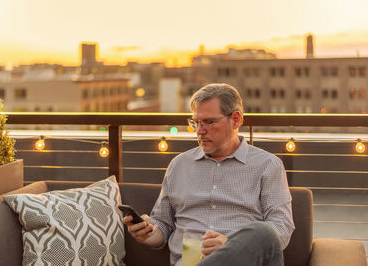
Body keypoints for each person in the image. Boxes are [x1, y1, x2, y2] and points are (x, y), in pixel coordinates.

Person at [122, 83, 295, 266]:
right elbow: (163, 226)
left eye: (209, 122)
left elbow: (281, 226)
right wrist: (148, 233)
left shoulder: (267, 165)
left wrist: (233, 248)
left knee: (264, 233)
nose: (199, 131)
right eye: (196, 123)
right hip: (188, 263)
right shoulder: (179, 165)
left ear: (235, 119)